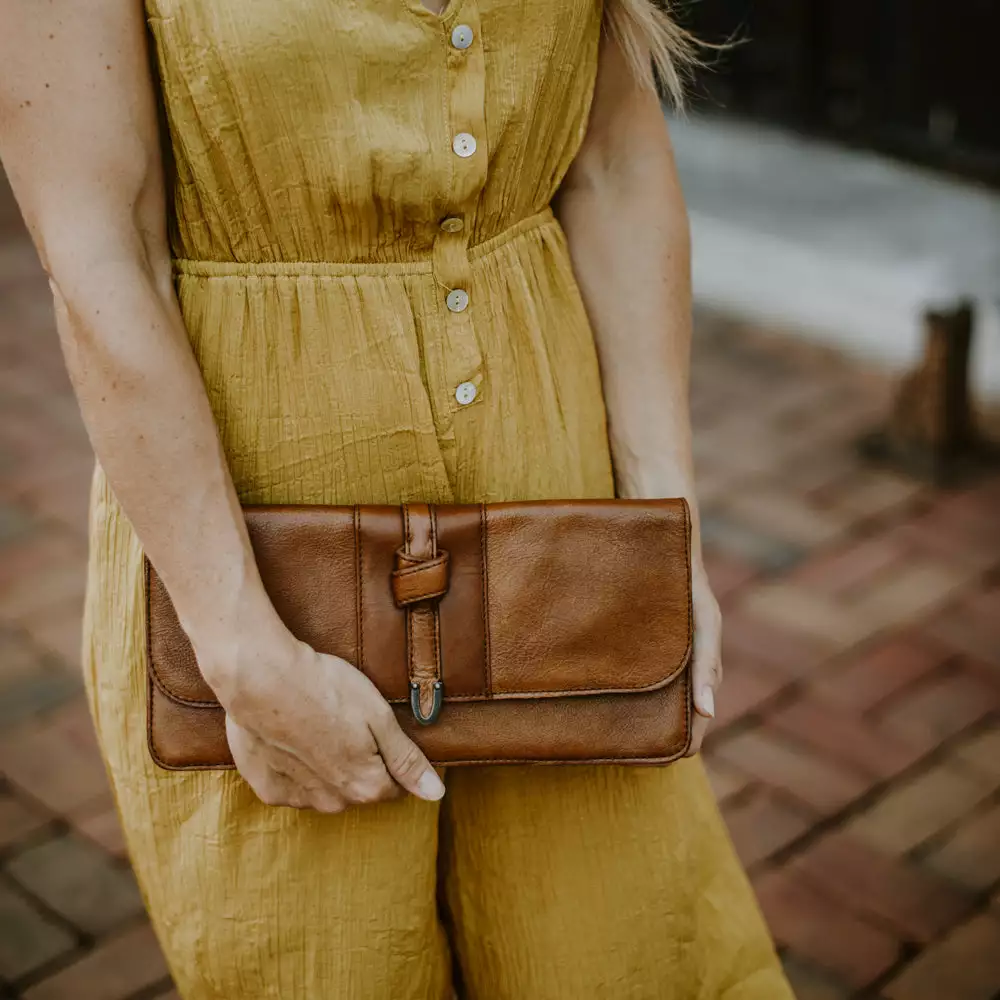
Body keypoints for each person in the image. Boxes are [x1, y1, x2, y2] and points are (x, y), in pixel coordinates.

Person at [0, 1, 794, 997]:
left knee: (619, 953)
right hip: (262, 550)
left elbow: (613, 162)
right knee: (329, 965)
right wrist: (238, 641)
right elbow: (100, 249)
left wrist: (662, 526)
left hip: (553, 494)